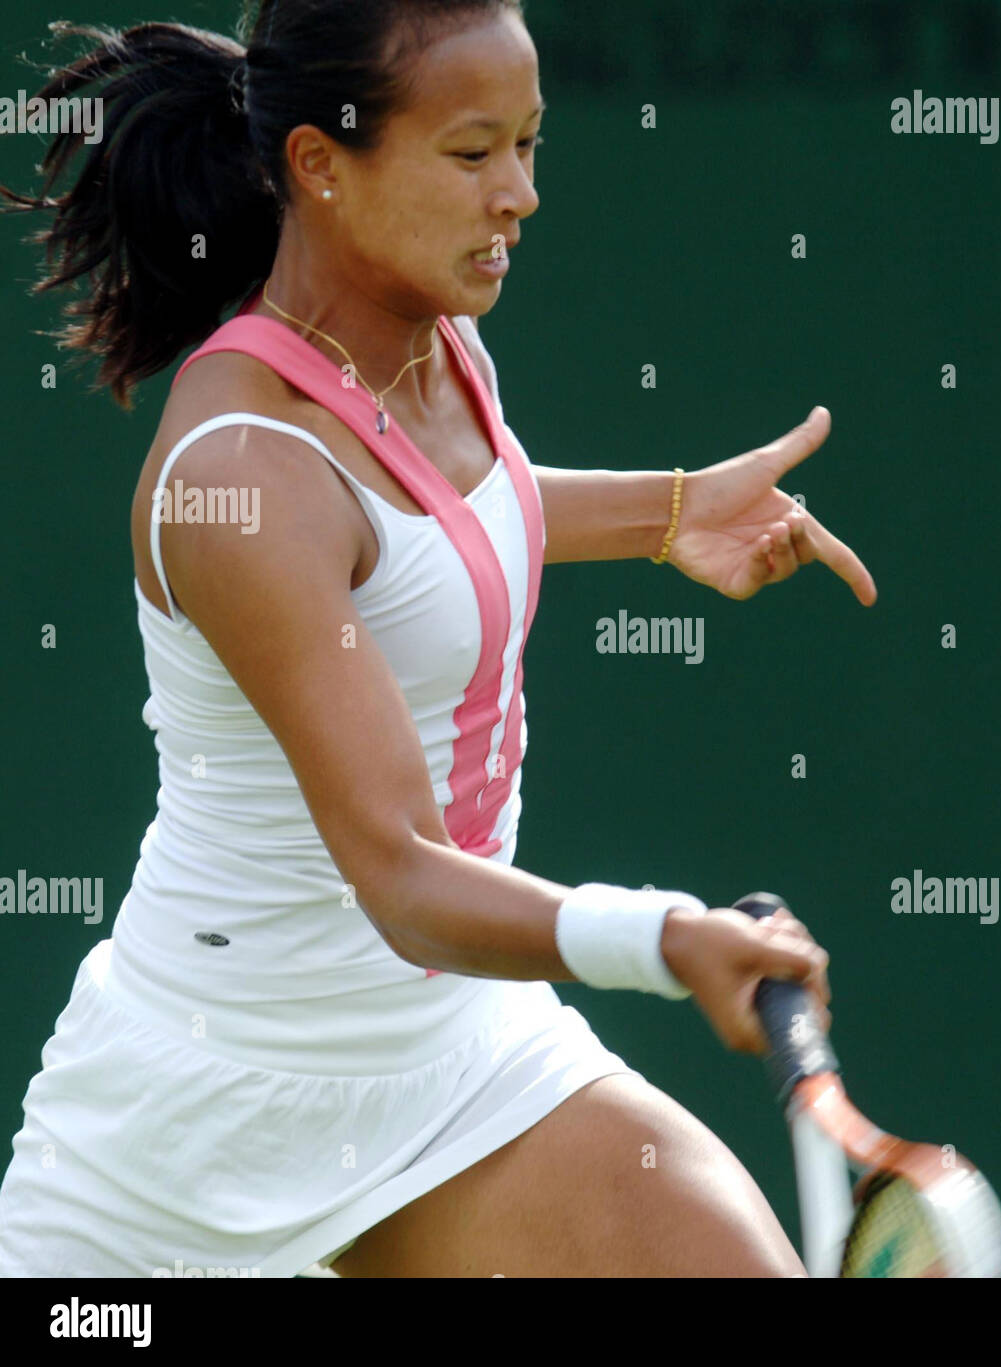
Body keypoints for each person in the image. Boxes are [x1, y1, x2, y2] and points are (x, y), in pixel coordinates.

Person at [0, 1, 876, 1277]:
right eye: (471, 155)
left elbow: (436, 533)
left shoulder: (437, 344)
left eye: (529, 145)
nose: (516, 194)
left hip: (456, 1062)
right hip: (180, 1147)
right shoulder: (241, 472)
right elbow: (405, 875)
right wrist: (666, 936)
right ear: (319, 164)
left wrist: (674, 508)